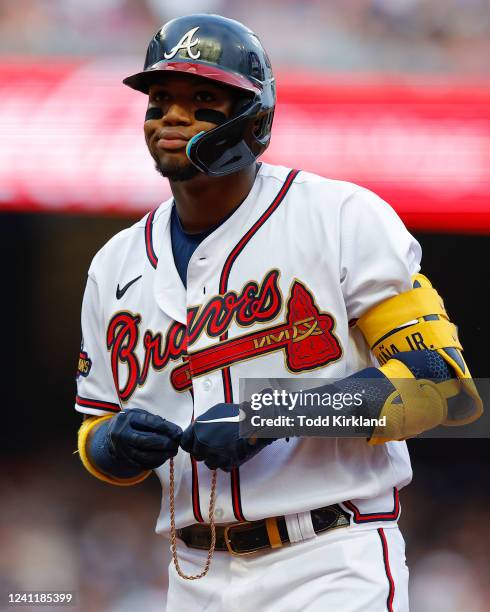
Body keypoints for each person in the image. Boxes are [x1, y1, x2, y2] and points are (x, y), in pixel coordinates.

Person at [75, 14, 482, 611]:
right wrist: (111, 443)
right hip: (190, 575)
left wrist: (271, 412)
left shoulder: (340, 216)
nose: (172, 115)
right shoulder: (112, 266)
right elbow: (93, 431)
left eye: (202, 98)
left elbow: (445, 384)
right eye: (160, 98)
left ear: (254, 118)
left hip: (327, 559)